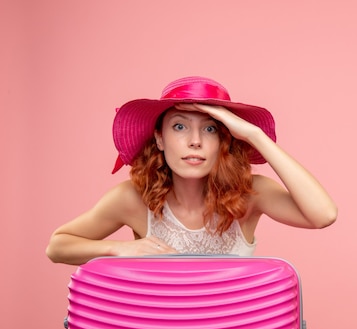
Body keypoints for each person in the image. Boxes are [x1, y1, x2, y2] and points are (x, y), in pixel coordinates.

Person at [46, 76, 337, 265]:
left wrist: (254, 135)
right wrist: (118, 249)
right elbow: (57, 246)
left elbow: (323, 215)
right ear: (160, 138)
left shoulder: (251, 194)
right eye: (180, 126)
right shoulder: (133, 199)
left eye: (210, 129)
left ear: (225, 139)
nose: (195, 141)